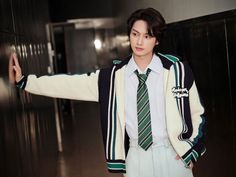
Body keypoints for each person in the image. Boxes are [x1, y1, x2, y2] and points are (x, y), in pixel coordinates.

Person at [10, 8, 206, 177]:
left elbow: (197, 112)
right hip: (137, 156)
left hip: (172, 153)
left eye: (147, 36)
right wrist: (25, 81)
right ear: (129, 34)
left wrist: (192, 150)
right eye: (135, 34)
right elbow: (69, 84)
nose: (139, 41)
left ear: (156, 40)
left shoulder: (177, 70)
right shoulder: (112, 78)